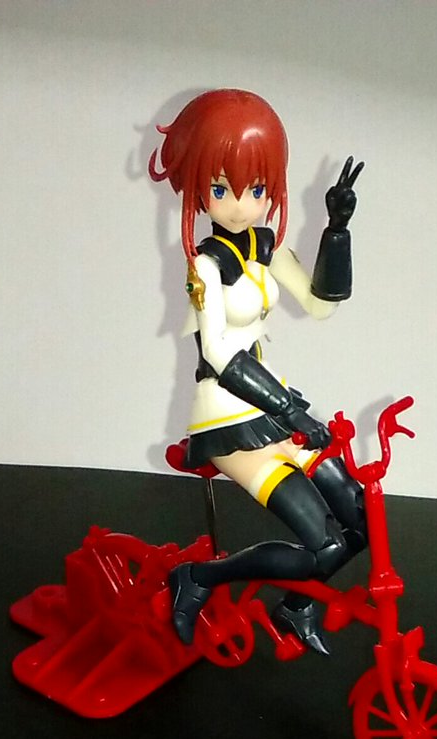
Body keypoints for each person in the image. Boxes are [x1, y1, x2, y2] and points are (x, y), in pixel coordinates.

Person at [149, 88, 366, 653]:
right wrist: (293, 411)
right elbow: (220, 354)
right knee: (322, 543)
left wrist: (337, 231)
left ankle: (295, 605)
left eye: (258, 189)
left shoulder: (266, 250)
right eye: (222, 189)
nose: (242, 206)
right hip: (227, 418)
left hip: (274, 410)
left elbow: (320, 304)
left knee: (360, 522)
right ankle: (198, 577)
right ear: (199, 189)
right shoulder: (205, 265)